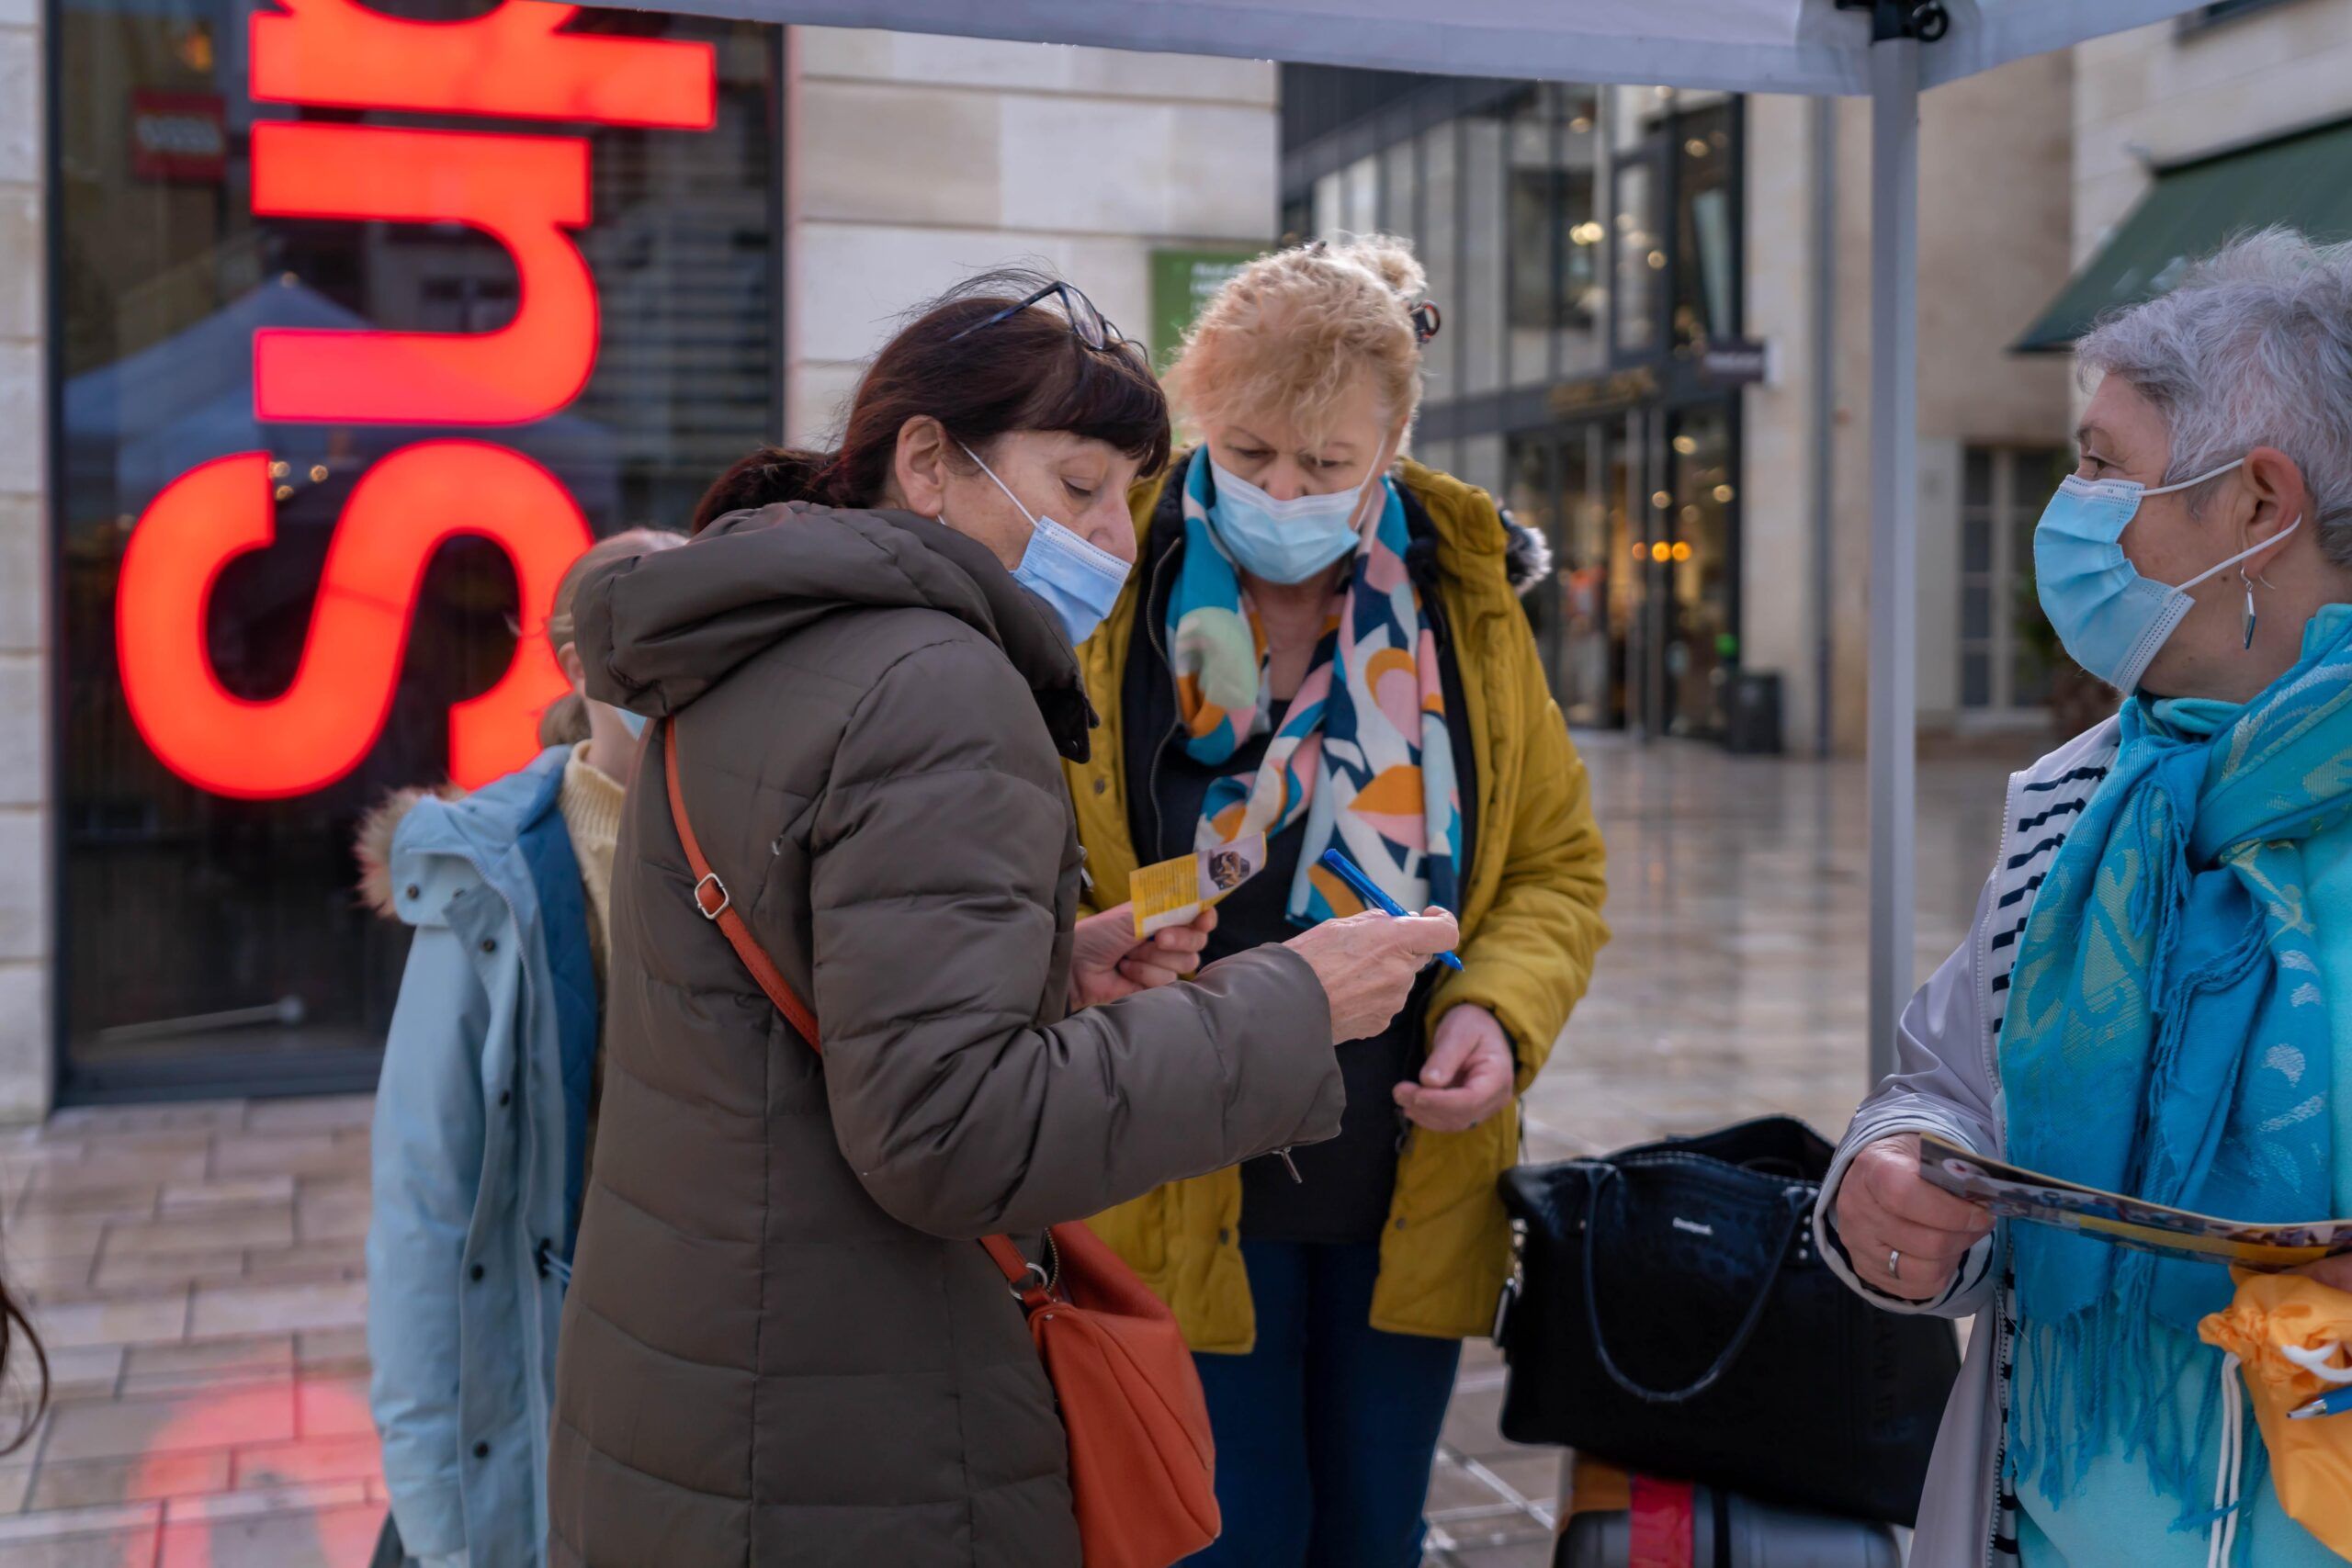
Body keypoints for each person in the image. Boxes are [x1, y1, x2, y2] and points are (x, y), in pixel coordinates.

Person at [542, 271, 1461, 1568]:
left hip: (710, 1382)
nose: (1107, 535)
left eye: (1127, 498)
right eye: (1077, 483)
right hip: (858, 1426)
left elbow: (809, 985)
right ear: (927, 460)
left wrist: (1046, 965)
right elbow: (951, 1129)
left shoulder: (762, 636)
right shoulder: (936, 680)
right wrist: (1294, 1000)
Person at [1067, 235, 1611, 1567]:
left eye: (1326, 466)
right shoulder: (1100, 594)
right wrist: (1097, 933)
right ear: (1197, 420)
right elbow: (1007, 855)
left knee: (1373, 1534)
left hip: (1403, 1167)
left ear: (1393, 444)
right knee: (1219, 1532)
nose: (1284, 492)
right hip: (1172, 1154)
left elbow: (1553, 866)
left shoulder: (1461, 602)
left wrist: (1497, 1008)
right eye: (1250, 454)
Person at [1821, 230, 2352, 1568]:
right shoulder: (2081, 798)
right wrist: (1887, 1187)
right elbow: (1943, 1087)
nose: (2073, 501)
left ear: (2259, 502)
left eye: (2103, 462)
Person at [362, 526, 683, 1568]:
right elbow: (428, 1203)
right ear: (573, 659)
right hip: (566, 1394)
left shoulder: (761, 842)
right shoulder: (492, 881)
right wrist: (441, 1515)